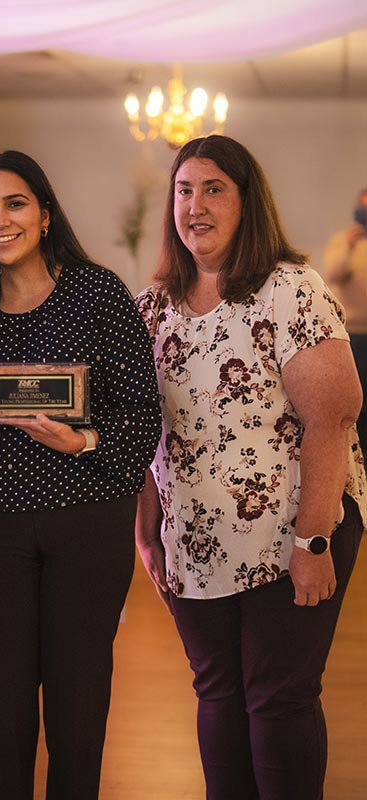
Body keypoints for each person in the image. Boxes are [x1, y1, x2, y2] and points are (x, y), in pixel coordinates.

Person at [135, 135, 366, 800]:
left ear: (246, 203)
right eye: (184, 190)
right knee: (216, 691)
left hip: (293, 529)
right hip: (195, 537)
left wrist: (312, 541)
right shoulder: (152, 307)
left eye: (214, 189)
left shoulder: (289, 289)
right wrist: (147, 530)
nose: (195, 205)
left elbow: (332, 419)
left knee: (278, 697)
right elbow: (144, 429)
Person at [0, 150, 160, 799]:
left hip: (87, 524)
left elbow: (144, 414)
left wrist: (83, 439)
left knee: (77, 699)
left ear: (45, 215)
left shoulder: (97, 293)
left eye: (14, 203)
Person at [323, 188, 367, 453]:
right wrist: (349, 247)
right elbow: (333, 273)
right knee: (355, 400)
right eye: (363, 209)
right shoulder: (342, 240)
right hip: (351, 332)